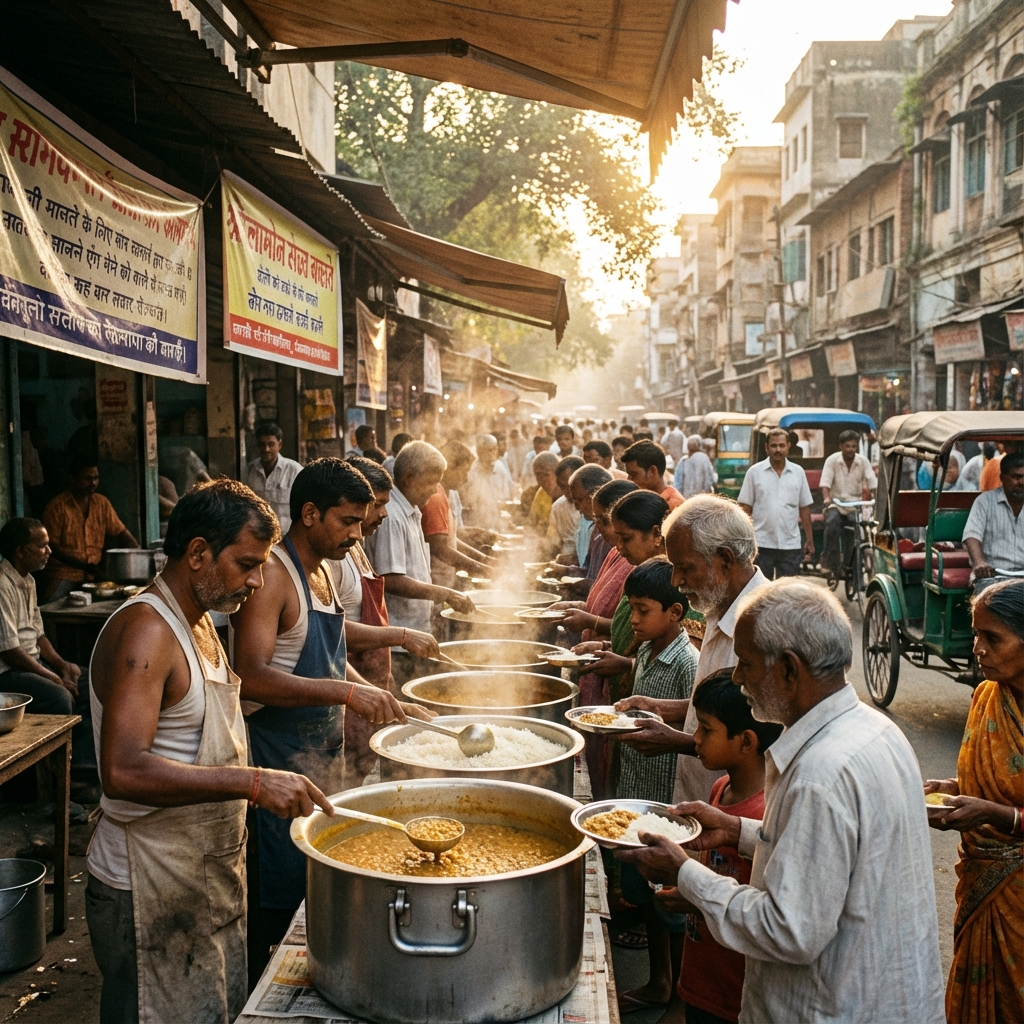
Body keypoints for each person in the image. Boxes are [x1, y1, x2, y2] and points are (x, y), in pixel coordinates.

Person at [618, 579, 945, 1024]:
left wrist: (684, 873)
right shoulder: (874, 729)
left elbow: (788, 930)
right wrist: (738, 831)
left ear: (789, 669)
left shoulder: (821, 772)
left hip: (833, 1005)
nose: (737, 678)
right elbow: (831, 857)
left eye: (747, 665)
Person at [85, 480, 334, 1024]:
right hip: (146, 883)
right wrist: (252, 782)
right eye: (247, 563)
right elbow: (122, 771)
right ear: (197, 553)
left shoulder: (203, 620)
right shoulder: (147, 632)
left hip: (199, 875)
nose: (258, 581)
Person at [231, 460, 430, 976]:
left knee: (312, 889)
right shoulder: (274, 575)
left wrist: (383, 699)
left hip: (322, 758)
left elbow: (330, 653)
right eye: (348, 522)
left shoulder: (324, 570)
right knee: (275, 904)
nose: (357, 534)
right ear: (310, 513)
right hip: (274, 756)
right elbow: (249, 676)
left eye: (362, 523)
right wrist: (344, 693)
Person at [617, 495, 767, 805]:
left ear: (724, 561)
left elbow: (757, 740)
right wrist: (661, 707)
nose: (676, 580)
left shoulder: (763, 627)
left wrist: (679, 742)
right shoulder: (716, 606)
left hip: (734, 811)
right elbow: (726, 707)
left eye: (685, 567)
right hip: (698, 797)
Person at [925, 580, 1023, 1024]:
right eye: (977, 634)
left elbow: (1000, 799)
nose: (978, 648)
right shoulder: (986, 697)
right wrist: (950, 785)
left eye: (993, 638)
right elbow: (989, 777)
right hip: (982, 885)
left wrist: (994, 814)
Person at [667, 670, 782, 1024]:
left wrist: (696, 897)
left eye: (706, 728)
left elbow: (758, 908)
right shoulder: (720, 789)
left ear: (746, 742)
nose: (695, 738)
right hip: (700, 973)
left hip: (733, 989)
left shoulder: (764, 814)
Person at [613, 559, 698, 1016]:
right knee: (646, 898)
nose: (636, 620)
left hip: (666, 801)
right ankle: (659, 980)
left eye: (643, 610)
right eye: (632, 609)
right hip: (636, 791)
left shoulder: (687, 662)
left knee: (671, 906)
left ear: (676, 612)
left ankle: (681, 996)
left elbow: (697, 725)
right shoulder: (645, 649)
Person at [329, 458, 441, 788]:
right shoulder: (333, 558)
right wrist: (401, 636)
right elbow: (330, 635)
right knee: (342, 777)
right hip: (348, 685)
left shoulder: (356, 548)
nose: (380, 514)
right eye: (375, 505)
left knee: (361, 766)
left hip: (370, 681)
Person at [0, 518, 96, 802]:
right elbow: (9, 651)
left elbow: (38, 636)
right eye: (41, 546)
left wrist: (62, 665)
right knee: (59, 697)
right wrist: (53, 677)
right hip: (7, 671)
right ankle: (57, 785)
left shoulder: (27, 580)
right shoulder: (2, 584)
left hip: (29, 662)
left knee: (89, 679)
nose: (49, 551)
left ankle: (82, 768)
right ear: (20, 550)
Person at [364, 441, 475, 686]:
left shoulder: (411, 510)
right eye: (431, 482)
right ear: (409, 477)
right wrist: (445, 593)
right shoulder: (391, 515)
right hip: (398, 636)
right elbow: (390, 578)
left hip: (414, 630)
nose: (435, 490)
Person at [41, 457, 138, 601]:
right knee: (53, 611)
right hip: (62, 576)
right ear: (72, 479)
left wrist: (137, 555)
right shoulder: (56, 507)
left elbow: (122, 534)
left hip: (94, 579)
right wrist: (86, 566)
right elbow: (51, 546)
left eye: (96, 478)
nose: (93, 483)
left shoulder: (102, 503)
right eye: (87, 478)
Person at [737, 428, 813, 579]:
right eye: (773, 446)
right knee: (761, 594)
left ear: (788, 446)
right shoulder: (754, 472)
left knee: (787, 595)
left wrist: (810, 540)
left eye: (781, 445)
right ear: (767, 448)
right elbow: (745, 509)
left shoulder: (798, 472)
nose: (778, 449)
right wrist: (743, 541)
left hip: (790, 545)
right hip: (762, 544)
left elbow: (804, 509)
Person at [422, 441, 492, 588]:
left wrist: (484, 559)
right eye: (464, 471)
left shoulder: (447, 493)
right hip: (433, 582)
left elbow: (450, 539)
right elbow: (440, 548)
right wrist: (482, 568)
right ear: (450, 468)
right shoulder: (434, 496)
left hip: (445, 582)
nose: (466, 478)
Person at [819, 429, 877, 581]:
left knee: (858, 530)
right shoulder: (832, 461)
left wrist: (876, 499)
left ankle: (848, 565)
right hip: (836, 503)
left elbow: (872, 482)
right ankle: (828, 563)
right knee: (832, 523)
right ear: (841, 447)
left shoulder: (863, 461)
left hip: (854, 504)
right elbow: (825, 483)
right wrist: (827, 498)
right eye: (847, 446)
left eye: (853, 446)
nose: (851, 449)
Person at [963, 452, 1024, 592]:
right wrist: (979, 564)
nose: (1022, 483)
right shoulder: (984, 502)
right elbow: (971, 536)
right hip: (993, 574)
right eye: (1016, 477)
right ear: (1002, 477)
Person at [245, 421, 303, 534]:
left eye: (271, 444)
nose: (266, 449)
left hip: (287, 538)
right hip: (259, 537)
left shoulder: (294, 470)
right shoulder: (249, 470)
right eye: (262, 445)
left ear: (279, 444)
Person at [567, 464, 613, 583]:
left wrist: (583, 585)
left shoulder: (614, 535)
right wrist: (566, 571)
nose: (577, 507)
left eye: (580, 500)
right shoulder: (595, 531)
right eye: (574, 501)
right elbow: (588, 570)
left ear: (596, 493)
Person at [462, 434, 515, 533]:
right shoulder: (470, 471)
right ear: (479, 451)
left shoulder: (500, 468)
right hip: (475, 525)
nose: (492, 453)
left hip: (497, 525)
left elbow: (505, 499)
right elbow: (465, 502)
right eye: (488, 450)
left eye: (494, 449)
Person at [622, 440, 683, 509]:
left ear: (652, 471)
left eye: (633, 474)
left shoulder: (673, 505)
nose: (629, 480)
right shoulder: (642, 498)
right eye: (628, 474)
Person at [549, 456, 584, 561]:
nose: (566, 491)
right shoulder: (558, 507)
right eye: (562, 486)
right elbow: (554, 542)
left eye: (569, 485)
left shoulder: (593, 506)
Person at [675, 435, 716, 500]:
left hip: (686, 500)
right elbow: (709, 480)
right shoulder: (704, 458)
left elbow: (678, 484)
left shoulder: (683, 461)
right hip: (701, 500)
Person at [528, 451, 562, 529]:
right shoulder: (541, 493)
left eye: (546, 475)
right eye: (537, 475)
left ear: (557, 473)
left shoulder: (568, 494)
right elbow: (532, 524)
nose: (541, 479)